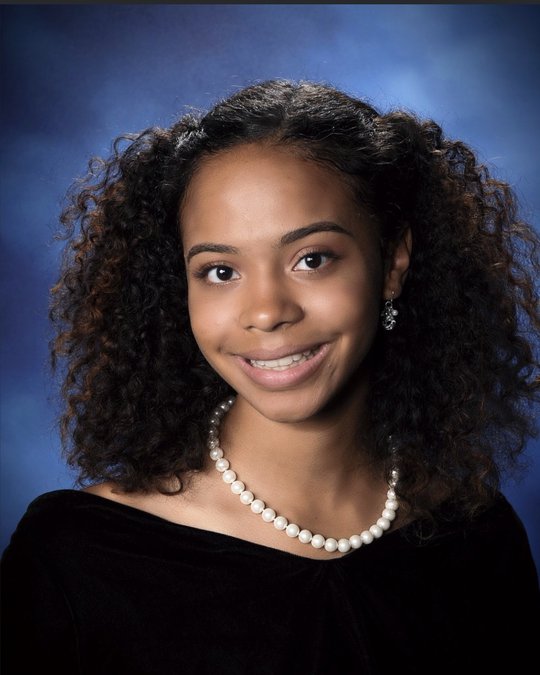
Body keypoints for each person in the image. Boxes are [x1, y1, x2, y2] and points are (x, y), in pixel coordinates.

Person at [1, 79, 539, 675]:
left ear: (392, 264)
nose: (265, 311)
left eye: (312, 259)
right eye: (220, 271)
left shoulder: (476, 534)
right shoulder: (76, 557)